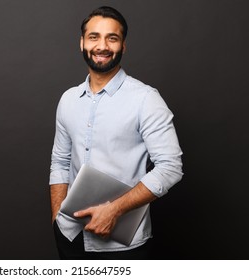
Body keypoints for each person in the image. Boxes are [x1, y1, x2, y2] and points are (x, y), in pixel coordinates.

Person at [49, 6, 183, 259]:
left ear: (123, 45)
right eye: (94, 37)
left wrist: (114, 210)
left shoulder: (146, 99)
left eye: (112, 38)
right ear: (82, 43)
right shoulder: (68, 100)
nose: (102, 46)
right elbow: (60, 162)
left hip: (123, 245)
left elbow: (170, 167)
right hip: (70, 237)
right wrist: (57, 217)